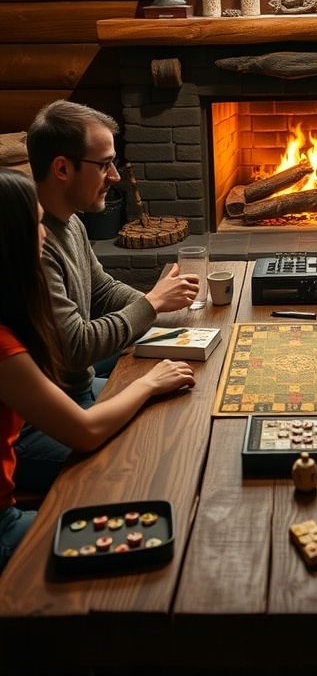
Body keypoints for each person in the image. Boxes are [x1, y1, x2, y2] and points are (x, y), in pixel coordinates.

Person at [0, 168, 196, 573]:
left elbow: (100, 296)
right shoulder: (4, 343)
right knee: (149, 478)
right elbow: (85, 428)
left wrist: (155, 308)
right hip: (6, 523)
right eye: (36, 222)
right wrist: (148, 383)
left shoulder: (17, 300)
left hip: (38, 431)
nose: (44, 232)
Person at [14, 99, 200, 493]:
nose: (115, 175)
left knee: (178, 403)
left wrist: (163, 302)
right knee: (151, 459)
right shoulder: (33, 245)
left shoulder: (68, 222)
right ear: (63, 168)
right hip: (43, 421)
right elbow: (77, 346)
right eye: (105, 164)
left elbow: (101, 289)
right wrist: (151, 305)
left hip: (79, 388)